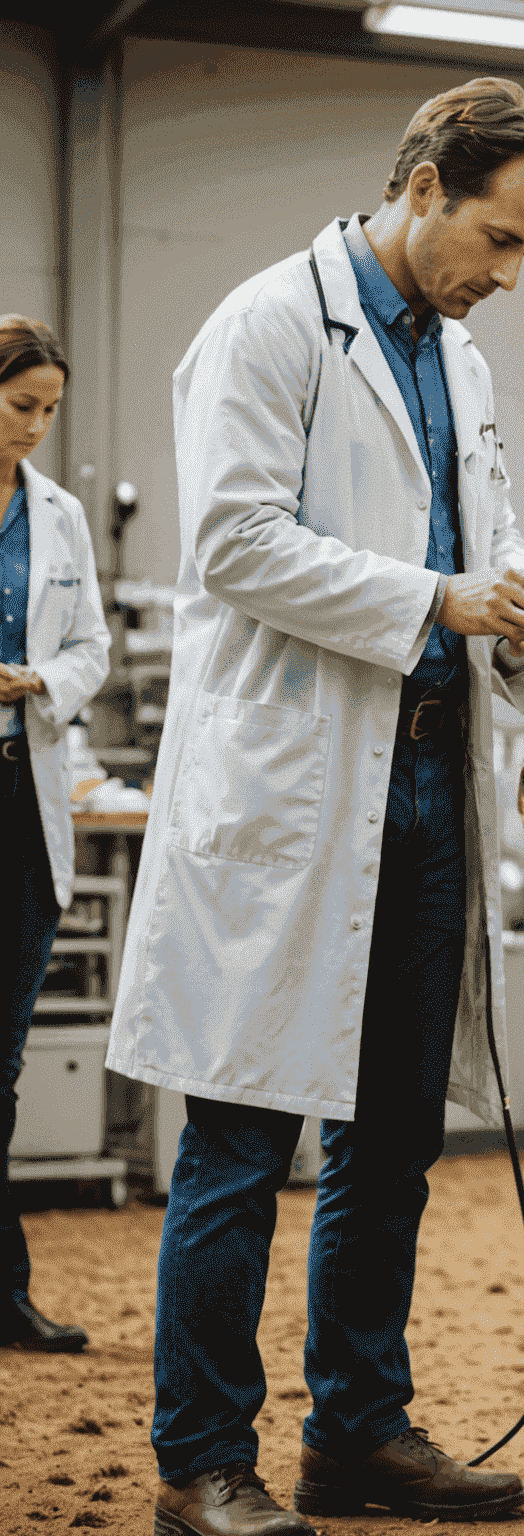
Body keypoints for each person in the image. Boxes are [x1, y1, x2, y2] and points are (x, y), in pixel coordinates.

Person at [105, 79, 524, 1535]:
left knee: (394, 1145)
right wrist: (439, 596)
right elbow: (240, 544)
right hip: (294, 792)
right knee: (242, 1142)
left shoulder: (466, 363)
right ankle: (203, 1458)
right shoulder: (267, 325)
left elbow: (486, 541)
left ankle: (358, 1436)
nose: (505, 277)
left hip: (429, 790)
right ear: (427, 185)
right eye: (497, 241)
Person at [0, 316, 112, 1351]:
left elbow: (92, 647)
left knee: (2, 1062)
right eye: (20, 405)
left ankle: (4, 1293)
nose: (36, 427)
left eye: (49, 412)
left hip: (20, 797)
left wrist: (42, 679)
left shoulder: (59, 516)